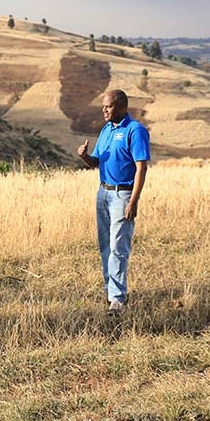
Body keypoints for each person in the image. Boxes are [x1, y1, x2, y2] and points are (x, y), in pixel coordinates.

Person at [77, 89, 150, 315]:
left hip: (123, 194)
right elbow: (97, 162)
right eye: (103, 106)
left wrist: (134, 201)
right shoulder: (106, 130)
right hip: (103, 193)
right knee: (106, 246)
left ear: (121, 106)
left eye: (108, 106)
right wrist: (84, 157)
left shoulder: (135, 130)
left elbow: (141, 167)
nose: (104, 110)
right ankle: (111, 291)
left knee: (119, 247)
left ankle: (117, 300)